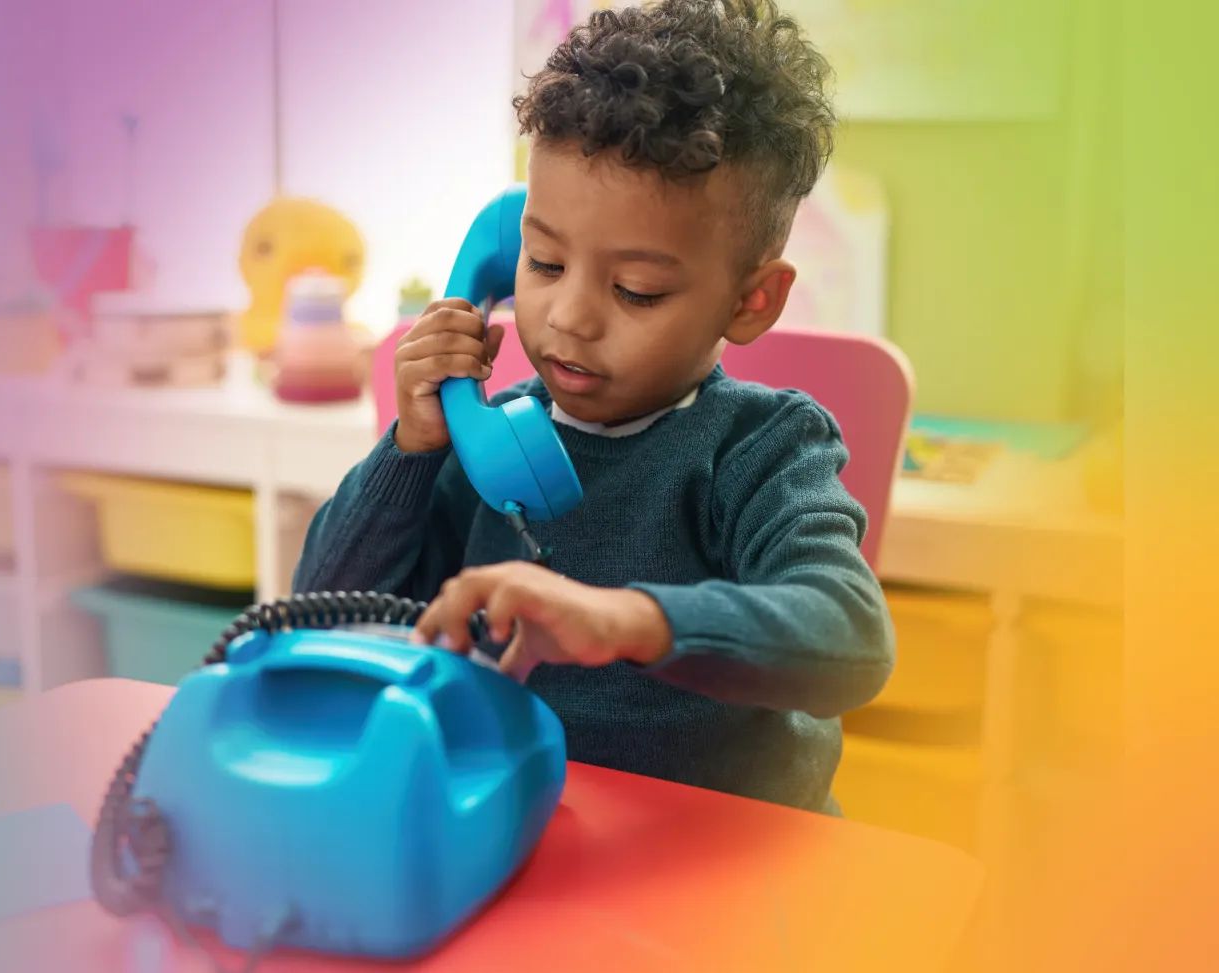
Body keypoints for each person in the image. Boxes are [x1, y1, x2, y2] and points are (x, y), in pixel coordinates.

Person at [292, 0, 891, 812]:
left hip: (722, 852)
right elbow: (320, 610)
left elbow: (851, 638)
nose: (569, 318)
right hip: (524, 825)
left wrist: (624, 621)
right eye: (544, 263)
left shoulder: (765, 447)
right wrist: (412, 448)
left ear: (751, 300)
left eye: (635, 289)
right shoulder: (490, 446)